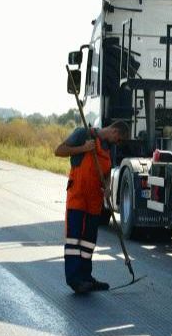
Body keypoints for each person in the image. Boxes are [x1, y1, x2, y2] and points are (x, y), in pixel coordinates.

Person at [54, 120, 128, 294]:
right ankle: (74, 280)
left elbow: (108, 171)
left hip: (94, 200)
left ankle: (86, 277)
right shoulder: (82, 134)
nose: (117, 144)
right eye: (118, 140)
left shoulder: (109, 147)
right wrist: (83, 149)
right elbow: (59, 151)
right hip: (78, 197)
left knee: (88, 242)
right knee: (74, 240)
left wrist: (108, 186)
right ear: (114, 131)